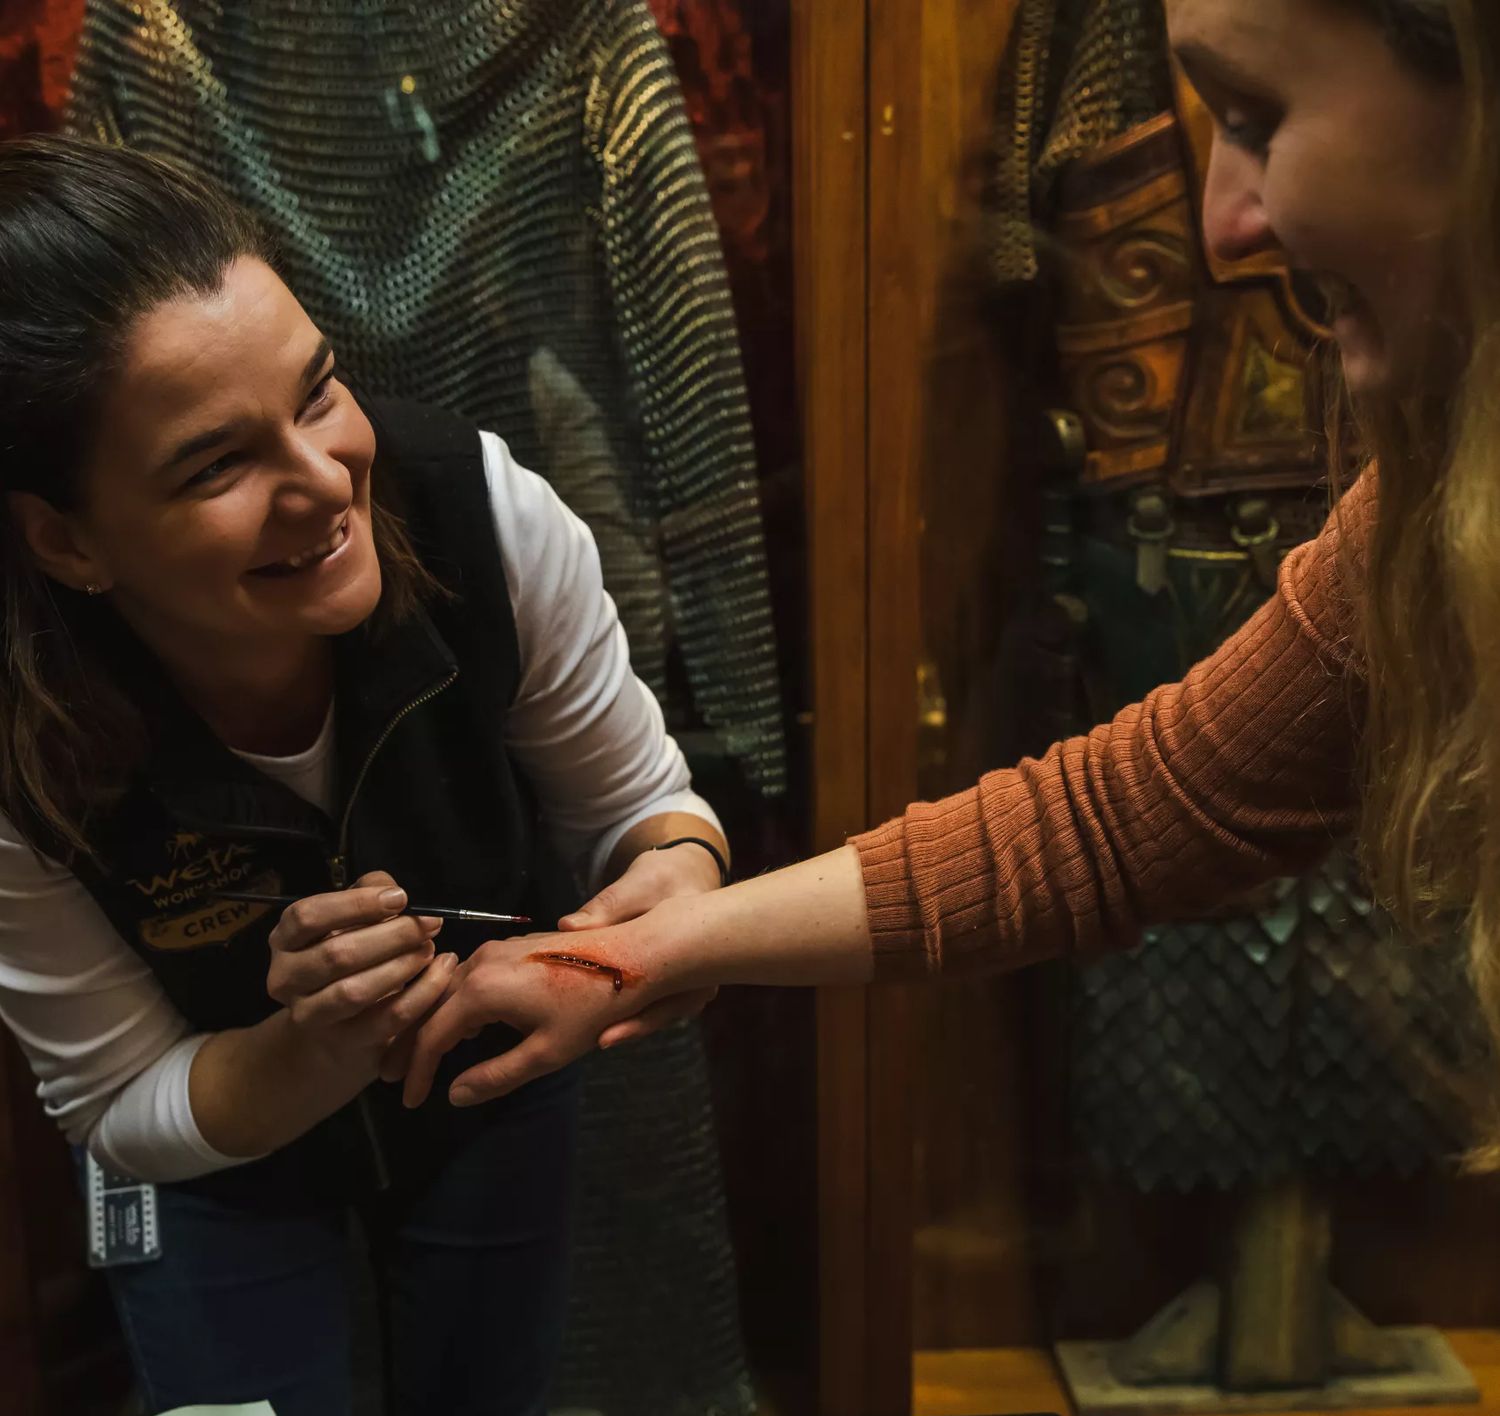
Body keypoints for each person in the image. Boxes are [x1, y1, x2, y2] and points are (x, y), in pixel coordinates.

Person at [403, 0, 1500, 1143]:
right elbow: (1128, 816)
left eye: (1259, 118)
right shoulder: (1435, 514)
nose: (1224, 228)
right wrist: (656, 944)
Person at [0, 136, 729, 1416]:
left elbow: (657, 825)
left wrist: (598, 969)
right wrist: (306, 1054)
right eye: (217, 465)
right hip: (203, 1155)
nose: (327, 479)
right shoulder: (15, 738)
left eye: (320, 388)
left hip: (488, 1083)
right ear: (64, 538)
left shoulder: (485, 517)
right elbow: (118, 1105)